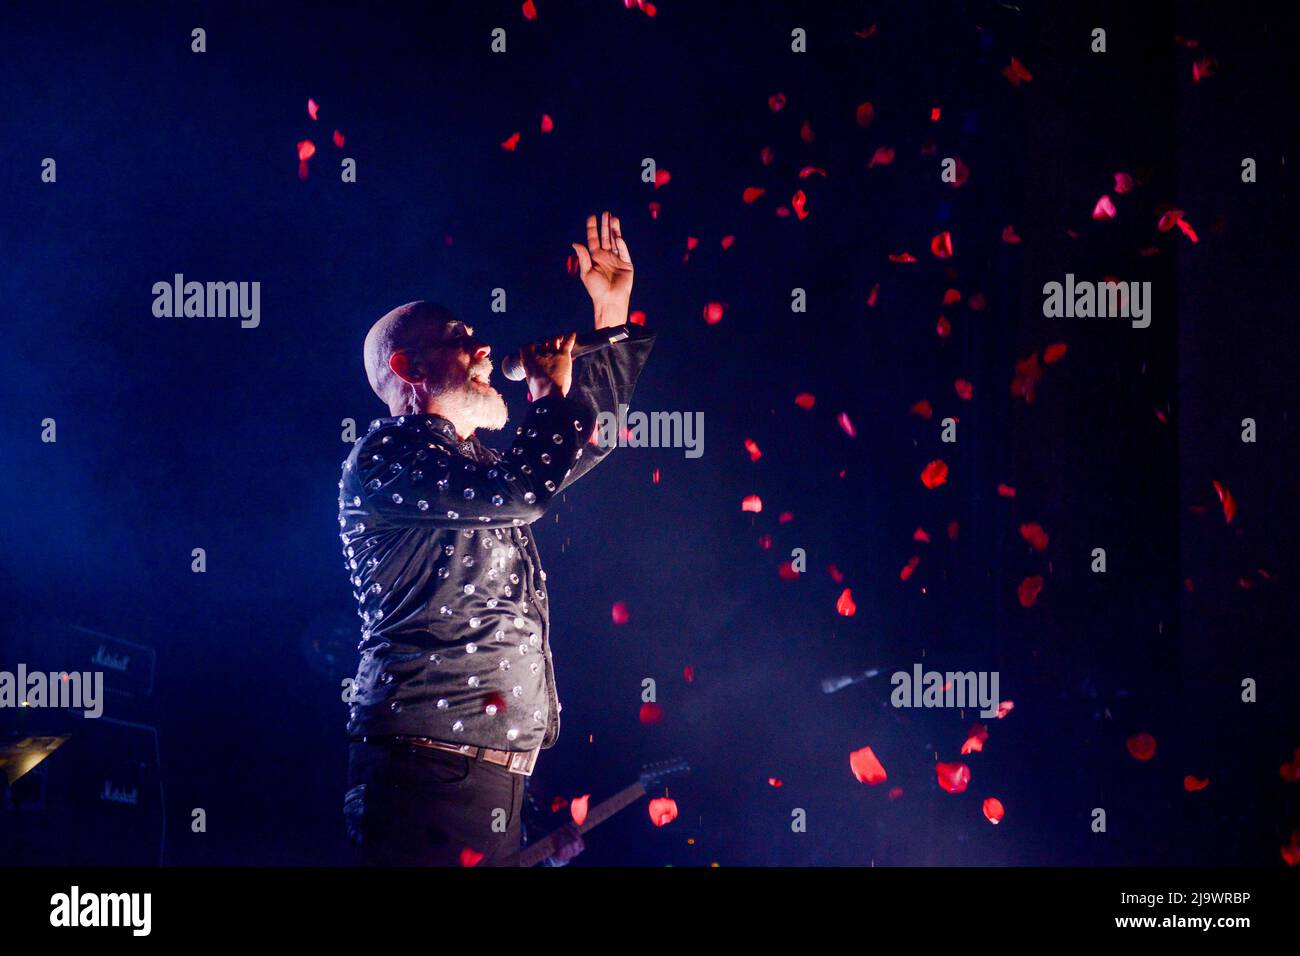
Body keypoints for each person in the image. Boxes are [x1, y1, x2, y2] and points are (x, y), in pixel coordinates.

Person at [340, 212, 654, 865]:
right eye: (461, 340)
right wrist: (547, 394)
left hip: (488, 781)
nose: (485, 350)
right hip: (426, 781)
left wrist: (611, 313)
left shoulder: (478, 471)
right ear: (410, 365)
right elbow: (527, 491)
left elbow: (578, 445)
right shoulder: (387, 456)